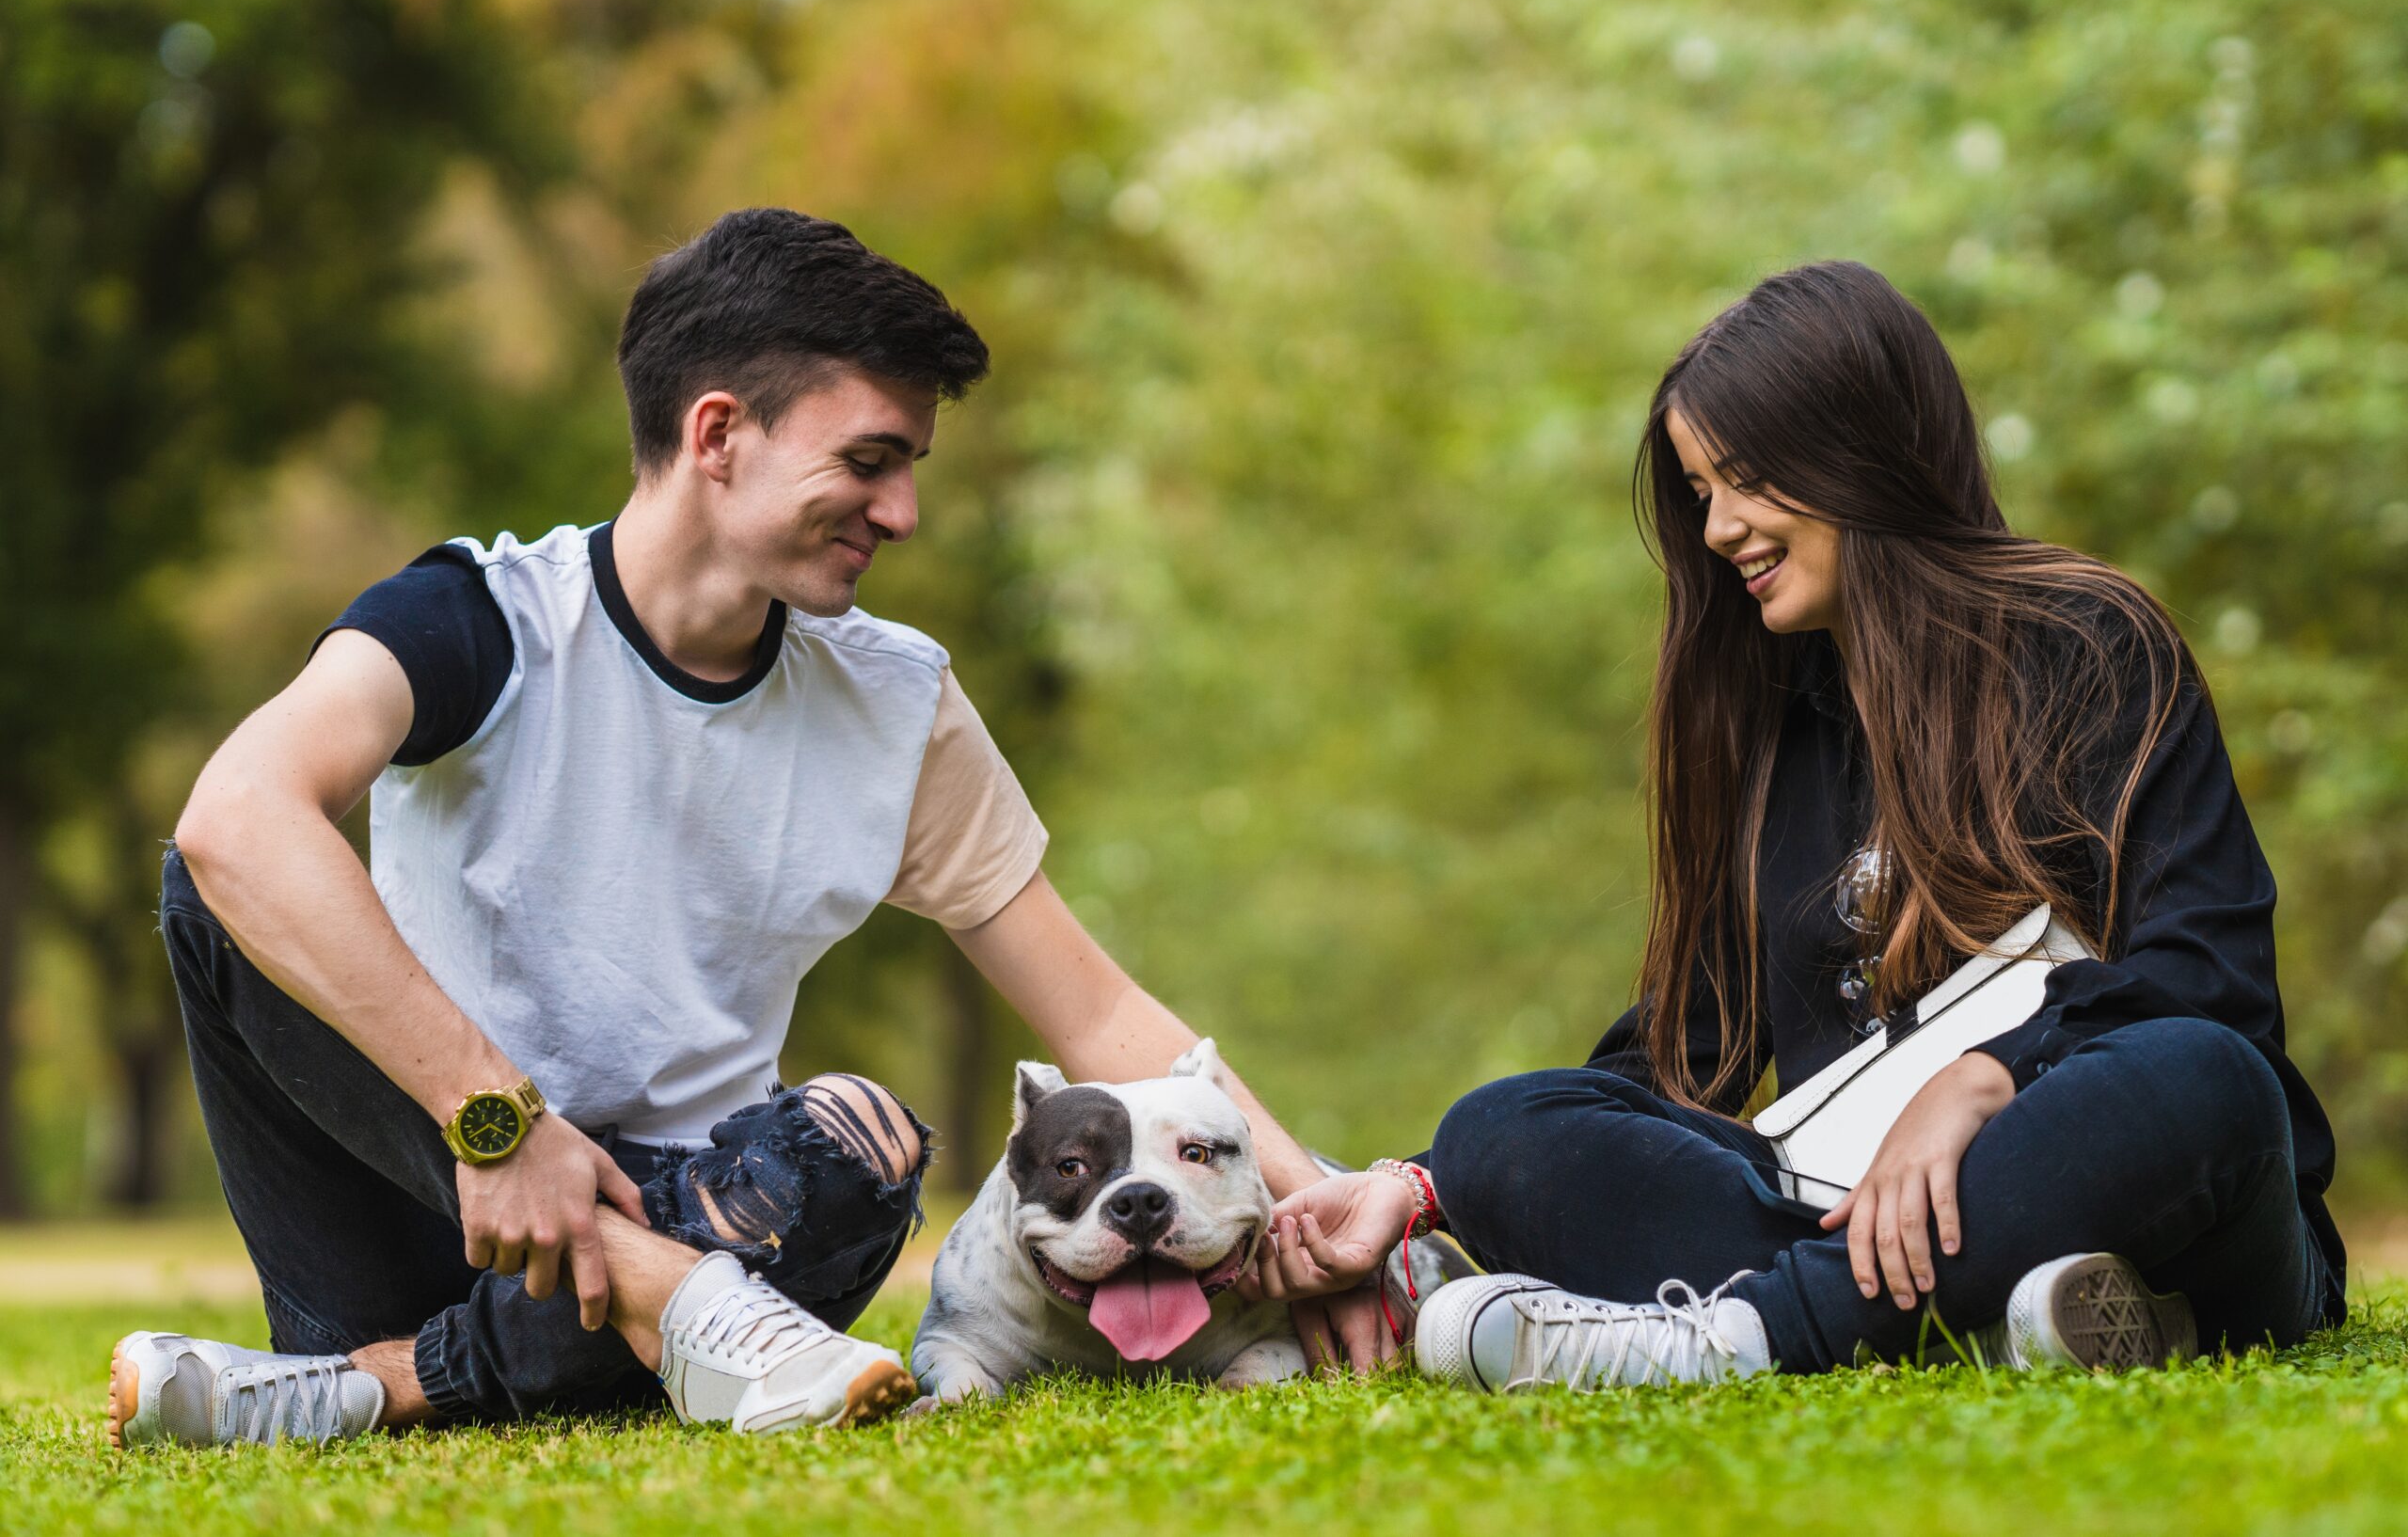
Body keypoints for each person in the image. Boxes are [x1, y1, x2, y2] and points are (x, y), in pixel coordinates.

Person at [107, 208, 1382, 1449]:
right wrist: (494, 1119)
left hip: (724, 1221)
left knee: (863, 1143)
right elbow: (234, 816)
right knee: (211, 891)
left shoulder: (896, 702)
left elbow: (1100, 1016)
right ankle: (658, 1308)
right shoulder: (477, 621)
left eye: (909, 473)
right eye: (870, 460)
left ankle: (378, 1388)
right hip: (427, 1204)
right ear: (718, 430)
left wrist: (1324, 1208)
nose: (901, 514)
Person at [1251, 260, 2348, 1390]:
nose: (1719, 527)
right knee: (1503, 1125)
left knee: (2199, 1075)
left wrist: (1984, 1080)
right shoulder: (1768, 723)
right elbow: (1687, 1056)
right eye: (1698, 492)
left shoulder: (2089, 641)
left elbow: (2210, 976)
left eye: (1743, 479)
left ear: (1858, 448)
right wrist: (1424, 1183)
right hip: (1844, 1203)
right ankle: (1983, 1325)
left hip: (2147, 1200)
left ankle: (1739, 1342)